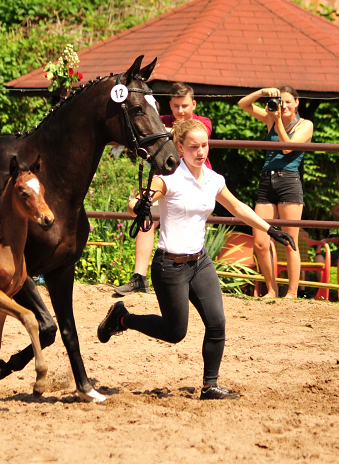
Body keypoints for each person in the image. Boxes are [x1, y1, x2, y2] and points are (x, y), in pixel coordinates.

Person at [97, 119, 295, 400]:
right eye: (194, 147)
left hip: (200, 262)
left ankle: (210, 385)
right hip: (170, 266)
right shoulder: (168, 178)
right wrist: (137, 207)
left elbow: (237, 206)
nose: (201, 152)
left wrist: (270, 228)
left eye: (204, 145)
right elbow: (137, 202)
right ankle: (122, 319)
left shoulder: (213, 180)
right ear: (179, 148)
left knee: (217, 323)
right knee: (175, 332)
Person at [115, 83, 212, 295]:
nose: (180, 111)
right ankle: (139, 277)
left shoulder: (201, 123)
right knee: (145, 216)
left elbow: (181, 133)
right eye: (176, 106)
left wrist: (159, 131)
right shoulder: (162, 121)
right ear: (170, 105)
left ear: (193, 104)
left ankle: (195, 276)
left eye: (185, 106)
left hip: (193, 184)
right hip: (167, 181)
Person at [238, 86, 313, 298]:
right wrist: (262, 92)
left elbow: (287, 147)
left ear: (297, 102)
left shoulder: (305, 125)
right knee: (260, 241)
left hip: (289, 181)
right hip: (266, 180)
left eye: (289, 101)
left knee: (290, 241)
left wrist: (277, 119)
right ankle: (271, 290)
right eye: (281, 102)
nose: (284, 106)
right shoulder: (272, 118)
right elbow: (243, 104)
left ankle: (291, 293)